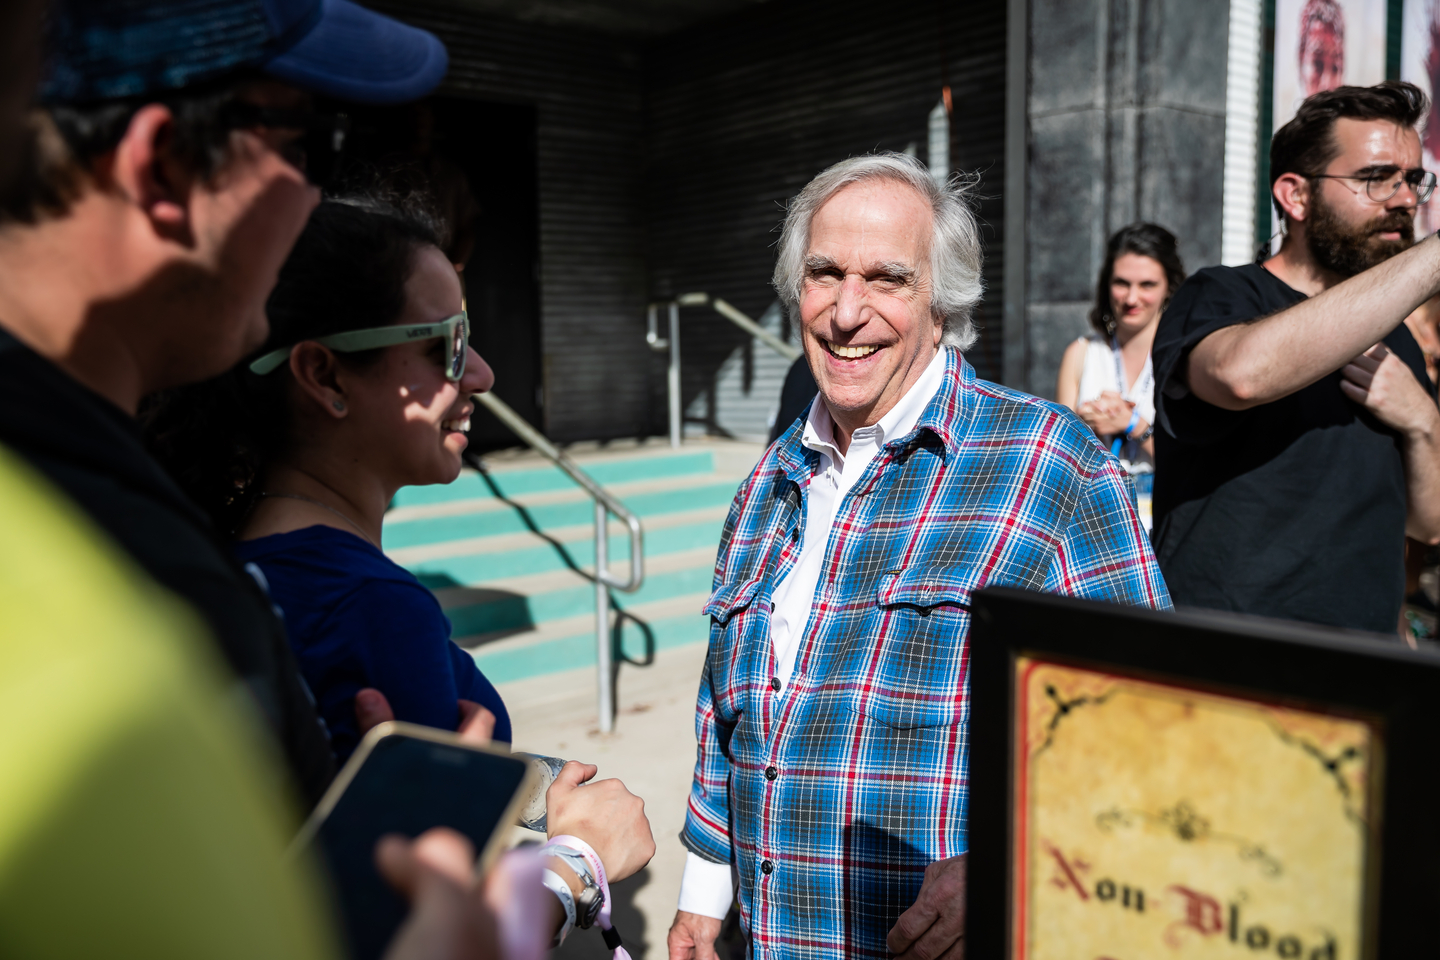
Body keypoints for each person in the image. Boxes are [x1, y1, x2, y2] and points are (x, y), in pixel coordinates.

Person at [666, 153, 1169, 960]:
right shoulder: (769, 482)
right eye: (824, 274)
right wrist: (702, 897)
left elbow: (1155, 727)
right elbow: (726, 714)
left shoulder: (1052, 465)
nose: (846, 311)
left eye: (888, 279)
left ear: (942, 304)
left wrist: (1015, 865)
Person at [0, 0, 459, 803]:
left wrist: (528, 792)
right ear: (164, 164)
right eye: (309, 142)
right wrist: (561, 875)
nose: (315, 203)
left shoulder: (114, 502)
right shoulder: (120, 563)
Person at [147, 194, 511, 762]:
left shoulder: (237, 560)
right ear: (324, 375)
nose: (483, 376)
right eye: (449, 343)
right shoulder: (370, 606)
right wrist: (579, 847)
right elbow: (427, 847)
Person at [1151, 80, 1440, 634]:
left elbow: (1427, 526)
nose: (1405, 200)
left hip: (1360, 664)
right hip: (1226, 658)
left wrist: (1423, 422)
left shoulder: (1396, 338)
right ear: (1295, 195)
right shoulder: (1222, 295)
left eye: (1412, 180)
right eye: (1377, 178)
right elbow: (1240, 376)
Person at [1055, 223, 1186, 532]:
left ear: (1169, 287)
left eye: (1147, 284)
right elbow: (1060, 459)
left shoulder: (1184, 357)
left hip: (1166, 517)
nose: (1132, 297)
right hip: (1097, 518)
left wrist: (1132, 424)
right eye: (1121, 283)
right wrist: (1086, 426)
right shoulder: (1081, 353)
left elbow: (1191, 461)